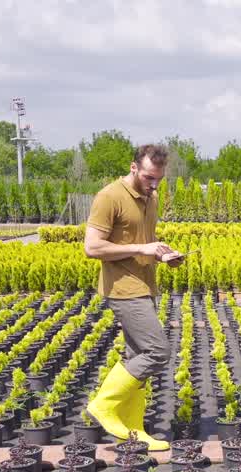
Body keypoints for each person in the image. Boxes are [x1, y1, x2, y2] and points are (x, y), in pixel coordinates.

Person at [82, 144, 184, 451]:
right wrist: (141, 249)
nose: (154, 185)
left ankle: (134, 431)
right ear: (133, 167)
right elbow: (93, 248)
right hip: (123, 289)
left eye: (160, 179)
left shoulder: (150, 198)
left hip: (144, 284)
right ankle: (103, 405)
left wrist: (162, 256)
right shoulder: (109, 197)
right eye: (150, 177)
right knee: (156, 352)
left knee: (135, 358)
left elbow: (142, 243)